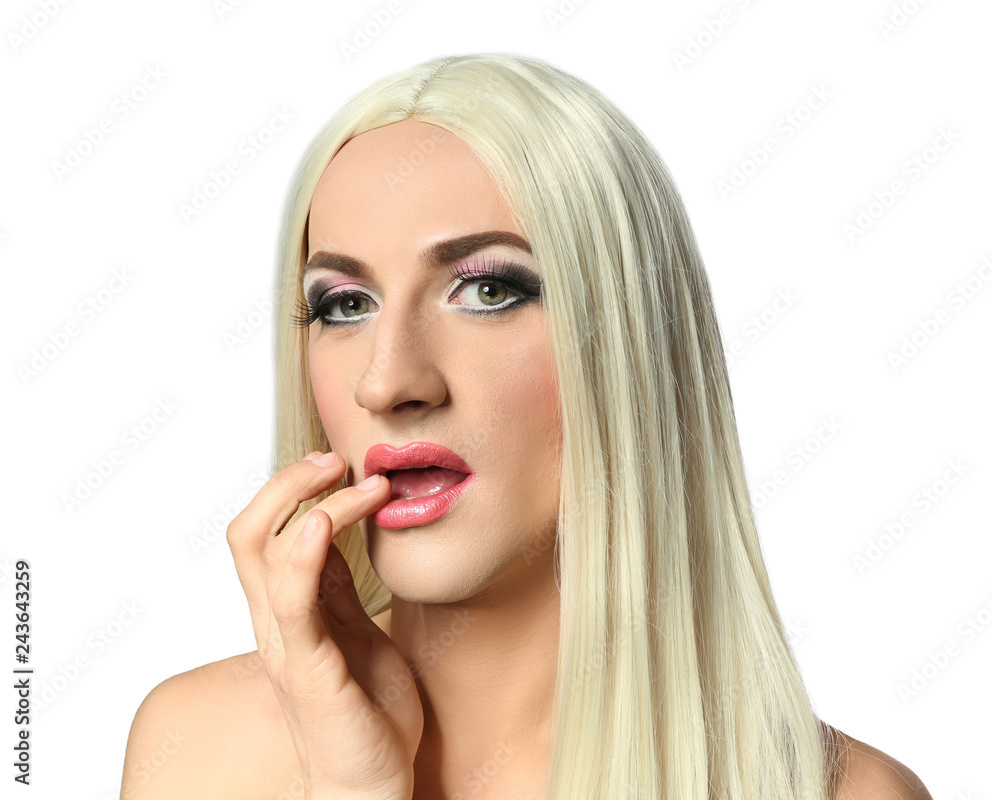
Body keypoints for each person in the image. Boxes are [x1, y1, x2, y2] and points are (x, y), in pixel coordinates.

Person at [119, 53, 933, 800]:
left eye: (488, 291)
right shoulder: (196, 751)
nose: (388, 380)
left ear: (627, 345)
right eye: (345, 304)